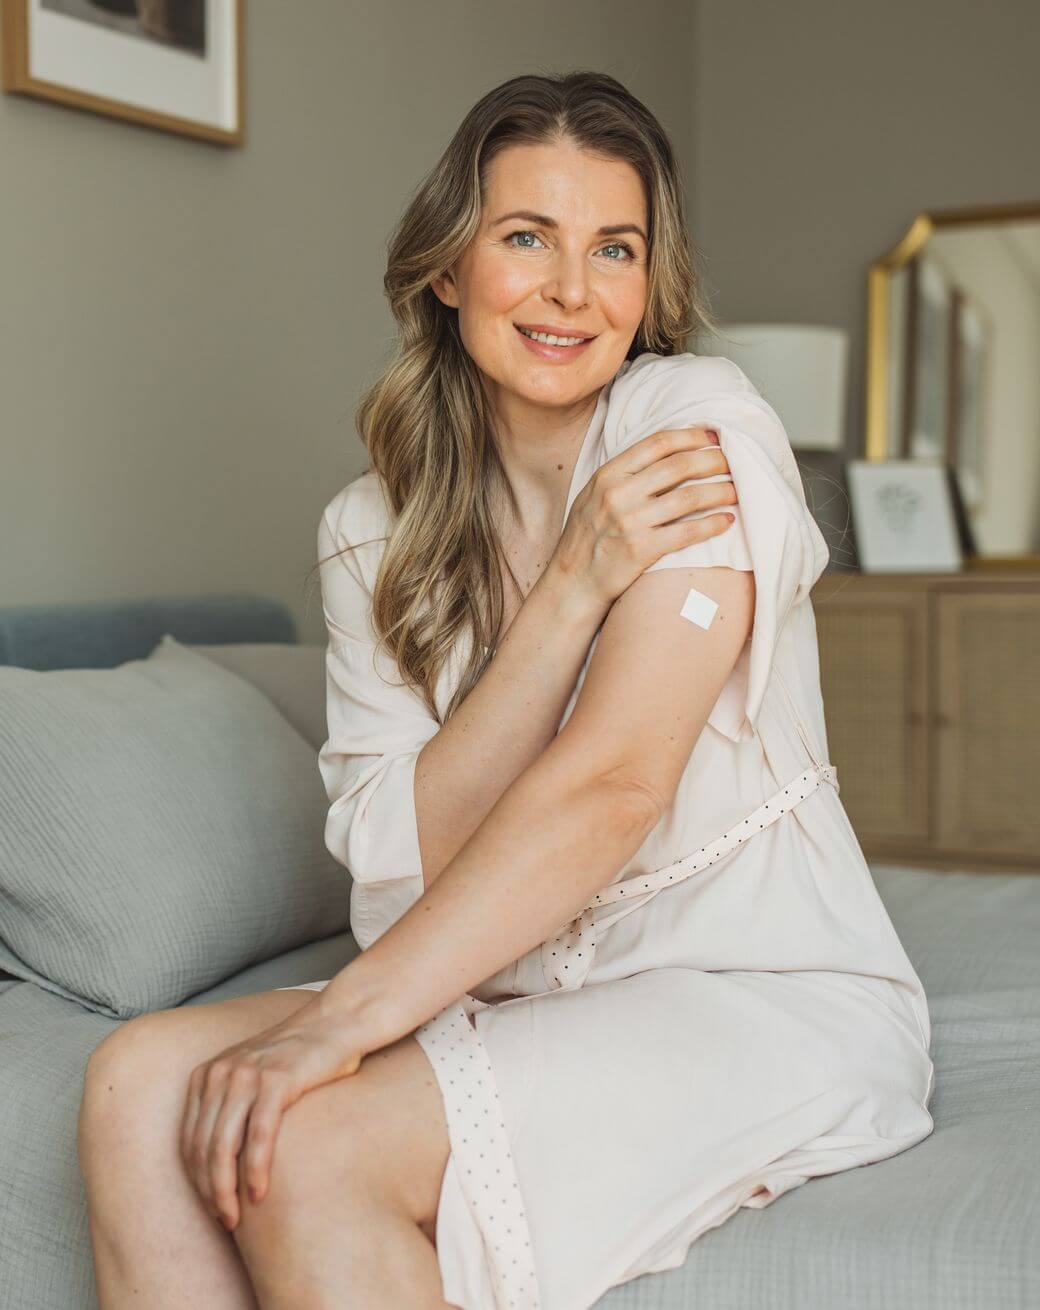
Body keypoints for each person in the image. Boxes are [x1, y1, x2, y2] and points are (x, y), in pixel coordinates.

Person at [78, 71, 934, 1310]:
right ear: (445, 266)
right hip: (508, 975)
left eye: (614, 249)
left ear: (650, 286)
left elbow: (615, 783)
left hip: (752, 983)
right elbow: (412, 858)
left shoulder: (690, 428)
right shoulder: (369, 528)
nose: (571, 290)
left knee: (306, 1146)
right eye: (525, 236)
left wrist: (336, 1027)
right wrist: (572, 592)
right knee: (130, 1081)